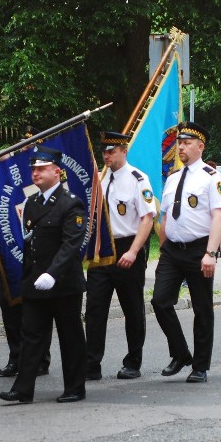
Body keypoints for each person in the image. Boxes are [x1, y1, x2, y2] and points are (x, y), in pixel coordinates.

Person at [0, 146, 88, 403]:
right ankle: (22, 389)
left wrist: (52, 274)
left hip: (63, 284)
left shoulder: (71, 203)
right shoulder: (32, 203)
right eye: (33, 169)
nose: (35, 173)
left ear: (57, 172)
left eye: (41, 168)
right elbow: (30, 243)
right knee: (31, 336)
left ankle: (74, 387)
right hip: (35, 281)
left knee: (70, 336)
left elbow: (71, 244)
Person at [151, 122, 221, 383]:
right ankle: (181, 353)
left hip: (199, 250)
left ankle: (200, 366)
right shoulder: (172, 178)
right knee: (160, 301)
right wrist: (162, 248)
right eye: (179, 143)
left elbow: (218, 217)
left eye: (186, 143)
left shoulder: (212, 178)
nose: (180, 147)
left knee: (202, 308)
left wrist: (211, 253)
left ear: (200, 146)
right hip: (172, 250)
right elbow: (166, 216)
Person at [84, 132, 155, 381]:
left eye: (111, 151)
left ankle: (133, 362)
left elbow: (148, 217)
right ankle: (91, 363)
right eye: (104, 151)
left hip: (127, 245)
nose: (106, 155)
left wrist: (134, 251)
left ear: (124, 151)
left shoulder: (138, 179)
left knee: (132, 307)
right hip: (102, 250)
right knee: (94, 308)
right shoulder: (99, 178)